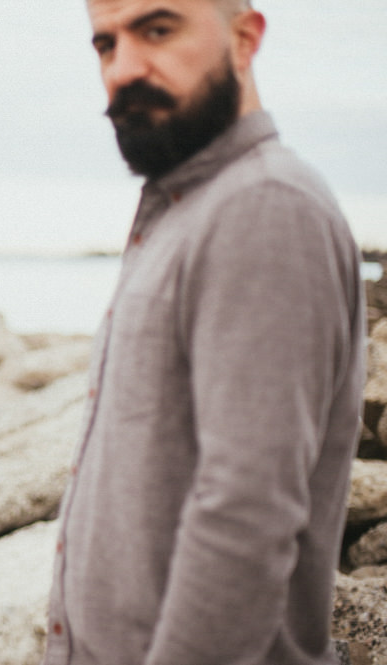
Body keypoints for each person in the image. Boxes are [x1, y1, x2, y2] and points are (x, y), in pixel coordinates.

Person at [44, 2, 366, 664]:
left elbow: (245, 513)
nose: (125, 67)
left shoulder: (264, 208)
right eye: (105, 44)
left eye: (157, 29)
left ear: (245, 39)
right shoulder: (185, 214)